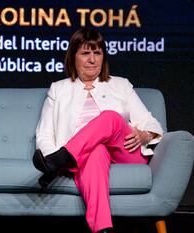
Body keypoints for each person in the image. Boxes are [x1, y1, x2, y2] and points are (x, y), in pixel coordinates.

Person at [33, 28, 163, 233]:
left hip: (126, 152)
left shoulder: (121, 85)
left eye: (97, 53)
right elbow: (45, 134)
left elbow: (152, 125)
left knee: (110, 117)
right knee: (96, 151)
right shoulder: (59, 89)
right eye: (85, 53)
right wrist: (49, 153)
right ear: (73, 57)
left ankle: (61, 160)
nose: (92, 59)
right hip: (86, 156)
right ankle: (103, 229)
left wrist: (143, 134)